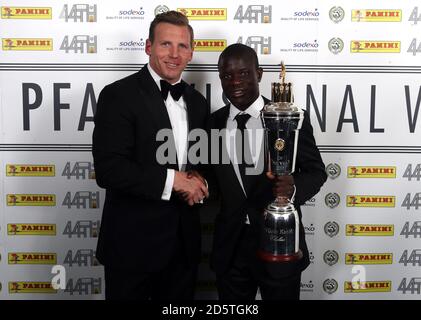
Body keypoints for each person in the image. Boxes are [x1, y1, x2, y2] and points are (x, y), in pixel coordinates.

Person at [92, 11, 209, 300]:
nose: (174, 53)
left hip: (183, 248)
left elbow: (197, 163)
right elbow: (110, 169)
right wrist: (175, 181)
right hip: (132, 250)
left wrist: (199, 180)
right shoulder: (118, 95)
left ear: (191, 52)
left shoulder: (197, 102)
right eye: (165, 44)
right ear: (148, 47)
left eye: (182, 46)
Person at [208, 43, 327, 300]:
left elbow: (316, 171)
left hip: (280, 243)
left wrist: (293, 188)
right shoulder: (211, 124)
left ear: (259, 74)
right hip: (230, 249)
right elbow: (211, 179)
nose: (235, 82)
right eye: (227, 76)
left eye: (243, 74)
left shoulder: (291, 118)